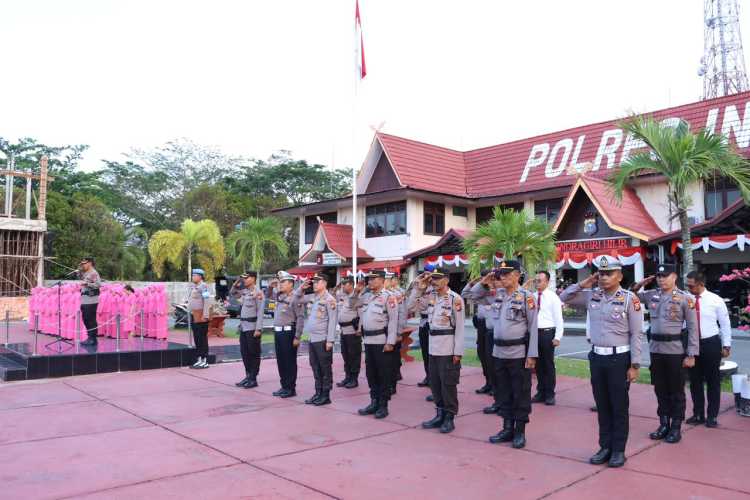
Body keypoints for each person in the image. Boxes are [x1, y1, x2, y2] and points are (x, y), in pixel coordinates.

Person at [560, 256, 643, 468]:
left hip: (619, 359)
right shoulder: (592, 296)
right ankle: (604, 446)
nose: (604, 277)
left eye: (609, 273)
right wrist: (584, 283)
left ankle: (618, 450)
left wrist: (635, 365)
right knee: (602, 405)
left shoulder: (628, 299)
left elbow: (636, 334)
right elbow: (565, 297)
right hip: (597, 358)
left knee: (618, 406)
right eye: (601, 273)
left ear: (620, 276)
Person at [468, 260, 538, 450]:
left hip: (518, 353)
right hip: (498, 352)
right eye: (500, 274)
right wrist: (485, 280)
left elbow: (533, 328)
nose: (503, 277)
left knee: (520, 392)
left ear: (517, 274)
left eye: (507, 273)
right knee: (503, 391)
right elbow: (472, 295)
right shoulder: (496, 295)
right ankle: (507, 428)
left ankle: (520, 431)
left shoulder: (526, 297)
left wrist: (532, 355)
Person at [631, 263, 698, 443]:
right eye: (659, 276)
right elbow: (632, 296)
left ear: (674, 277)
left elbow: (692, 328)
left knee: (676, 390)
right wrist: (640, 283)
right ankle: (663, 424)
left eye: (665, 276)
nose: (661, 279)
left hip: (675, 350)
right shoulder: (652, 295)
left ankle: (676, 427)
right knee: (660, 389)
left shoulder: (686, 298)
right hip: (656, 349)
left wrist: (691, 354)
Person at [408, 268, 465, 434]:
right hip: (433, 347)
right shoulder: (431, 297)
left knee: (448, 384)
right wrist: (419, 288)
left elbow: (460, 328)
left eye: (438, 278)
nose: (434, 281)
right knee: (435, 383)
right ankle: (439, 413)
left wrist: (458, 352)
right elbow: (411, 306)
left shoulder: (455, 299)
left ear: (446, 280)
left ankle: (449, 417)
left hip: (448, 348)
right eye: (433, 278)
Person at [685, 270, 732, 428]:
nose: (688, 288)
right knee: (695, 381)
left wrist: (726, 345)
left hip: (710, 343)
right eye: (687, 285)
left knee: (713, 381)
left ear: (701, 284)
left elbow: (725, 324)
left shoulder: (715, 300)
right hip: (691, 344)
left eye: (691, 286)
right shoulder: (686, 299)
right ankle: (698, 414)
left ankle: (712, 416)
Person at [351, 270, 398, 419]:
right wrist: (356, 291)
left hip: (381, 341)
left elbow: (393, 321)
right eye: (368, 279)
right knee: (371, 374)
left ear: (381, 280)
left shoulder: (388, 297)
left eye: (372, 279)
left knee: (383, 374)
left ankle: (383, 405)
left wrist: (390, 342)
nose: (369, 281)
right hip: (368, 341)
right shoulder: (367, 297)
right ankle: (374, 401)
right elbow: (351, 305)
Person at [297, 274, 337, 405]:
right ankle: (318, 392)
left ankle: (325, 395)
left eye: (317, 282)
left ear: (324, 283)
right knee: (315, 367)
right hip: (312, 339)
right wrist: (301, 288)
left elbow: (332, 321)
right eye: (313, 282)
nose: (314, 284)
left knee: (324, 368)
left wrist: (330, 340)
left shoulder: (330, 299)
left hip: (323, 339)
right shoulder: (312, 298)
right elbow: (295, 300)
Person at [268, 272, 305, 398]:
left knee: (289, 361)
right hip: (278, 332)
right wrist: (271, 287)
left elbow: (300, 318)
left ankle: (290, 388)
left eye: (283, 282)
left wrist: (297, 336)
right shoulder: (280, 296)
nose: (281, 284)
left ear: (291, 284)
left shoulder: (296, 298)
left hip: (289, 332)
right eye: (280, 282)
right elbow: (268, 296)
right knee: (281, 361)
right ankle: (284, 386)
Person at [532, 270, 565, 406]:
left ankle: (550, 394)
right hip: (535, 334)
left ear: (547, 282)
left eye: (539, 280)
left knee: (548, 365)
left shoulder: (553, 297)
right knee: (538, 365)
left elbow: (559, 319)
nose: (537, 283)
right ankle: (541, 392)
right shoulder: (532, 296)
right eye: (536, 281)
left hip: (547, 333)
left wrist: (557, 337)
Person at [230, 271, 265, 389]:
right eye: (244, 278)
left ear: (253, 279)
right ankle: (248, 375)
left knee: (253, 353)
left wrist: (258, 328)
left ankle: (253, 378)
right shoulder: (245, 292)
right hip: (244, 327)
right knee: (244, 353)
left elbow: (260, 311)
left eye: (247, 278)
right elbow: (233, 293)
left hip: (252, 327)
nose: (245, 280)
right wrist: (236, 283)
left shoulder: (258, 292)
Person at [462, 270, 494, 395]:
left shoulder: (496, 292)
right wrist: (472, 283)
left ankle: (495, 385)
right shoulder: (479, 291)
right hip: (481, 325)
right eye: (483, 278)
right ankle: (488, 382)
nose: (485, 281)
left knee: (491, 357)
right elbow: (465, 294)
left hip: (492, 327)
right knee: (482, 355)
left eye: (487, 278)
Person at [335, 276, 362, 389]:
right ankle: (348, 377)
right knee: (345, 355)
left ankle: (354, 379)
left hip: (352, 331)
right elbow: (334, 293)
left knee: (354, 356)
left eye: (345, 284)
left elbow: (361, 314)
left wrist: (360, 328)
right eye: (342, 284)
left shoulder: (357, 297)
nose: (342, 286)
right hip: (343, 331)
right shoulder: (343, 297)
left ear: (351, 285)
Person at [186, 269, 213, 369]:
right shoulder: (195, 287)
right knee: (197, 338)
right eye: (192, 275)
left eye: (195, 275)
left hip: (201, 316)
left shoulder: (203, 286)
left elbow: (207, 301)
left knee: (202, 339)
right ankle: (199, 359)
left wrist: (205, 315)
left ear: (200, 276)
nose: (193, 277)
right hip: (195, 315)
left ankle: (205, 360)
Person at [385, 271, 406, 395]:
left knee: (393, 359)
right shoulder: (379, 295)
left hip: (393, 332)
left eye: (388, 279)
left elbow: (402, 314)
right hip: (382, 332)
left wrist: (398, 332)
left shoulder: (396, 295)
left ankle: (392, 384)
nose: (387, 282)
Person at [79, 257, 102, 346]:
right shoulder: (86, 273)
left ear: (90, 263)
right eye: (83, 264)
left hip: (91, 300)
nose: (83, 265)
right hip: (85, 300)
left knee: (91, 320)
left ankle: (93, 339)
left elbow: (98, 284)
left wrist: (87, 284)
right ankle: (89, 337)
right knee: (85, 319)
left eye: (85, 263)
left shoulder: (94, 273)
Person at [416, 265, 433, 387]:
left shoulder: (435, 289)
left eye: (428, 274)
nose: (426, 276)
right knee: (425, 353)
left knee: (432, 354)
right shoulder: (420, 287)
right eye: (424, 274)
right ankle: (428, 376)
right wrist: (419, 281)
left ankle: (433, 378)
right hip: (423, 323)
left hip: (432, 323)